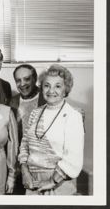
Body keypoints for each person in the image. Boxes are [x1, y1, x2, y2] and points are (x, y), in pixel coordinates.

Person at [18, 64, 85, 195]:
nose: (51, 90)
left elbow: (73, 158)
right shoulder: (35, 113)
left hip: (59, 183)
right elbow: (24, 145)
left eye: (58, 86)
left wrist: (52, 181)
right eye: (47, 85)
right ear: (42, 88)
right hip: (31, 182)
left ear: (66, 89)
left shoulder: (73, 116)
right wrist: (25, 171)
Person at [9, 64, 46, 195]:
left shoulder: (47, 97)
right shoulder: (11, 102)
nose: (22, 84)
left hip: (42, 164)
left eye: (27, 79)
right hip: (19, 163)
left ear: (35, 79)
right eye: (18, 80)